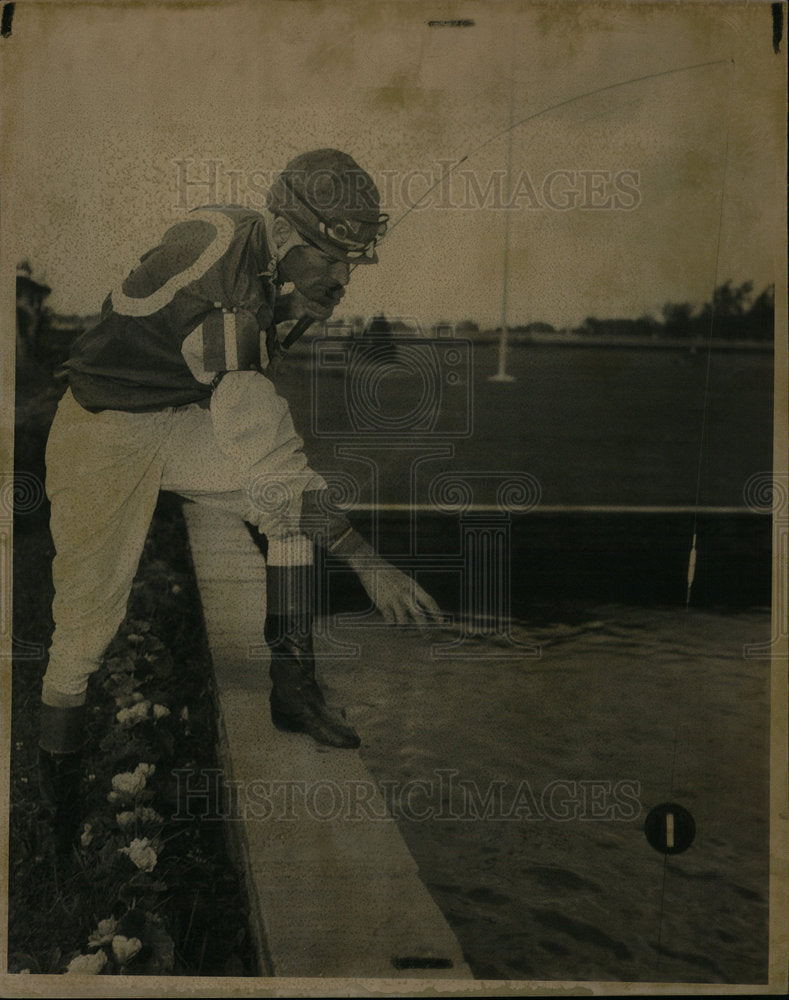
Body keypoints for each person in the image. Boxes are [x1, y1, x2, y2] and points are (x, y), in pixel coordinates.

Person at [38, 148, 441, 846]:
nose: (343, 278)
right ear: (286, 237)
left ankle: (292, 690)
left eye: (350, 263)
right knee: (82, 639)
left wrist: (291, 301)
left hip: (173, 410)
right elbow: (272, 452)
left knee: (283, 520)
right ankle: (53, 826)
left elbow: (194, 315)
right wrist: (370, 564)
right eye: (330, 258)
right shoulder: (229, 311)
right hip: (100, 434)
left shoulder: (243, 230)